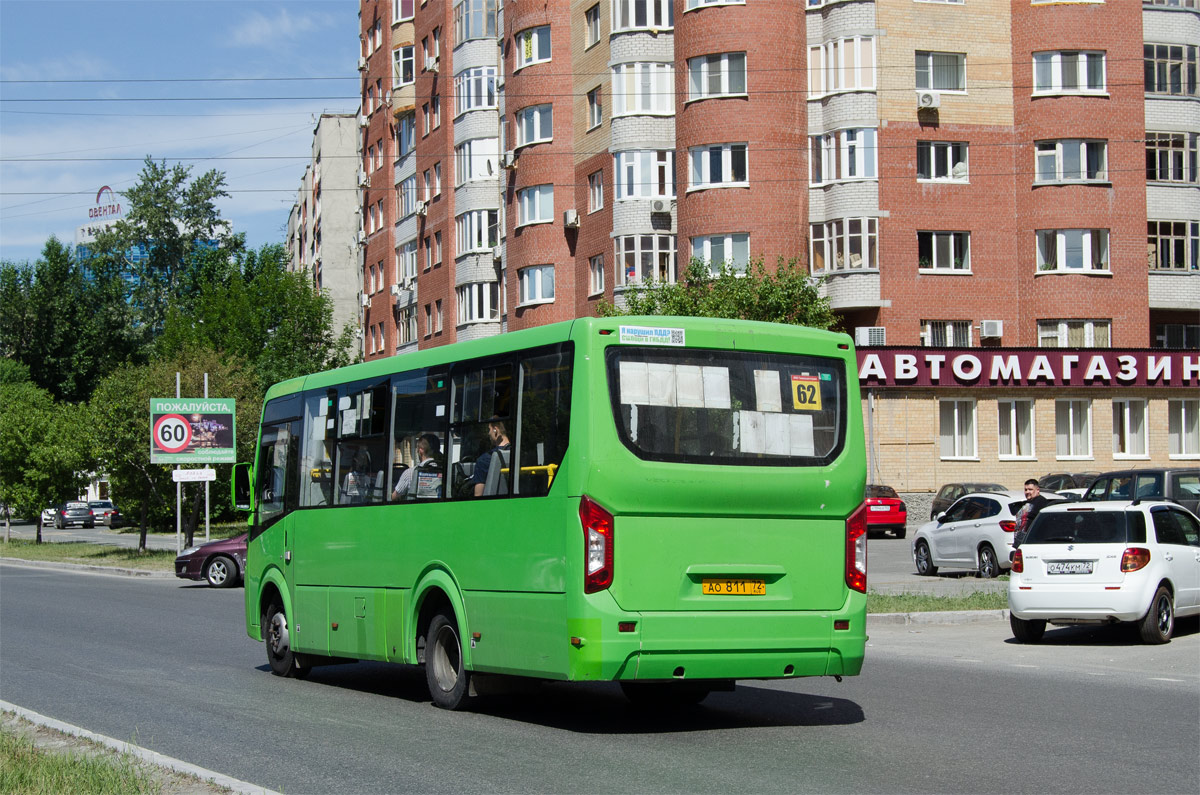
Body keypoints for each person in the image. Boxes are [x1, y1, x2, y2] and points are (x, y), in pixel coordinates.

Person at [391, 433, 441, 500]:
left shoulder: (410, 473)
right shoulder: (445, 472)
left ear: (420, 451)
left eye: (417, 449)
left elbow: (394, 497)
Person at [472, 418, 511, 496]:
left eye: (489, 429)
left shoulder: (484, 460)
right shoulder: (519, 454)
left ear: (495, 430)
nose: (489, 433)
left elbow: (478, 496)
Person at [1013, 478, 1050, 547]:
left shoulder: (1041, 502)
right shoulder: (1027, 502)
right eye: (1025, 490)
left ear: (1037, 490)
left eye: (1030, 489)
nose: (1027, 492)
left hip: (1031, 541)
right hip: (1021, 540)